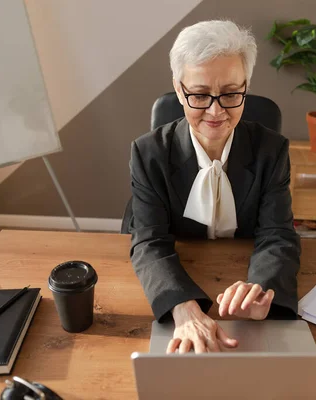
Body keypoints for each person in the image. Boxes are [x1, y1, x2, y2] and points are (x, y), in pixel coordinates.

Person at [127, 20, 301, 354]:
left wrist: (261, 292)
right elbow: (149, 241)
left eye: (231, 94)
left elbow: (277, 235)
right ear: (179, 90)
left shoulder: (271, 149)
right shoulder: (148, 153)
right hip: (183, 273)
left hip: (238, 277)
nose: (216, 111)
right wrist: (183, 307)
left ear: (246, 86)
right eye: (200, 95)